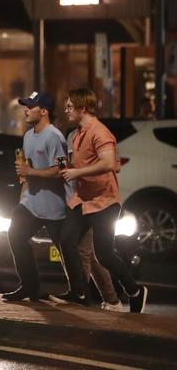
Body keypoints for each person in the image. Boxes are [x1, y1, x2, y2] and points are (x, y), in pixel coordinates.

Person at [57, 88, 147, 313]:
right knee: (66, 240)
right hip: (82, 199)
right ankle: (78, 292)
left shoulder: (100, 132)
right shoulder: (77, 135)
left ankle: (135, 290)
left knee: (104, 254)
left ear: (82, 108)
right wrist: (69, 169)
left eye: (70, 107)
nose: (66, 111)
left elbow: (108, 163)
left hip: (104, 201)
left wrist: (77, 173)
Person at [2, 91, 68, 302]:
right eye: (25, 106)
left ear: (44, 111)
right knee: (15, 235)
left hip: (54, 205)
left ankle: (83, 291)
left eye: (30, 107)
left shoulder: (55, 136)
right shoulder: (28, 136)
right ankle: (30, 287)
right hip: (31, 203)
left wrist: (31, 172)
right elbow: (27, 170)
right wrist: (23, 188)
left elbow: (60, 170)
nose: (26, 110)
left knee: (67, 250)